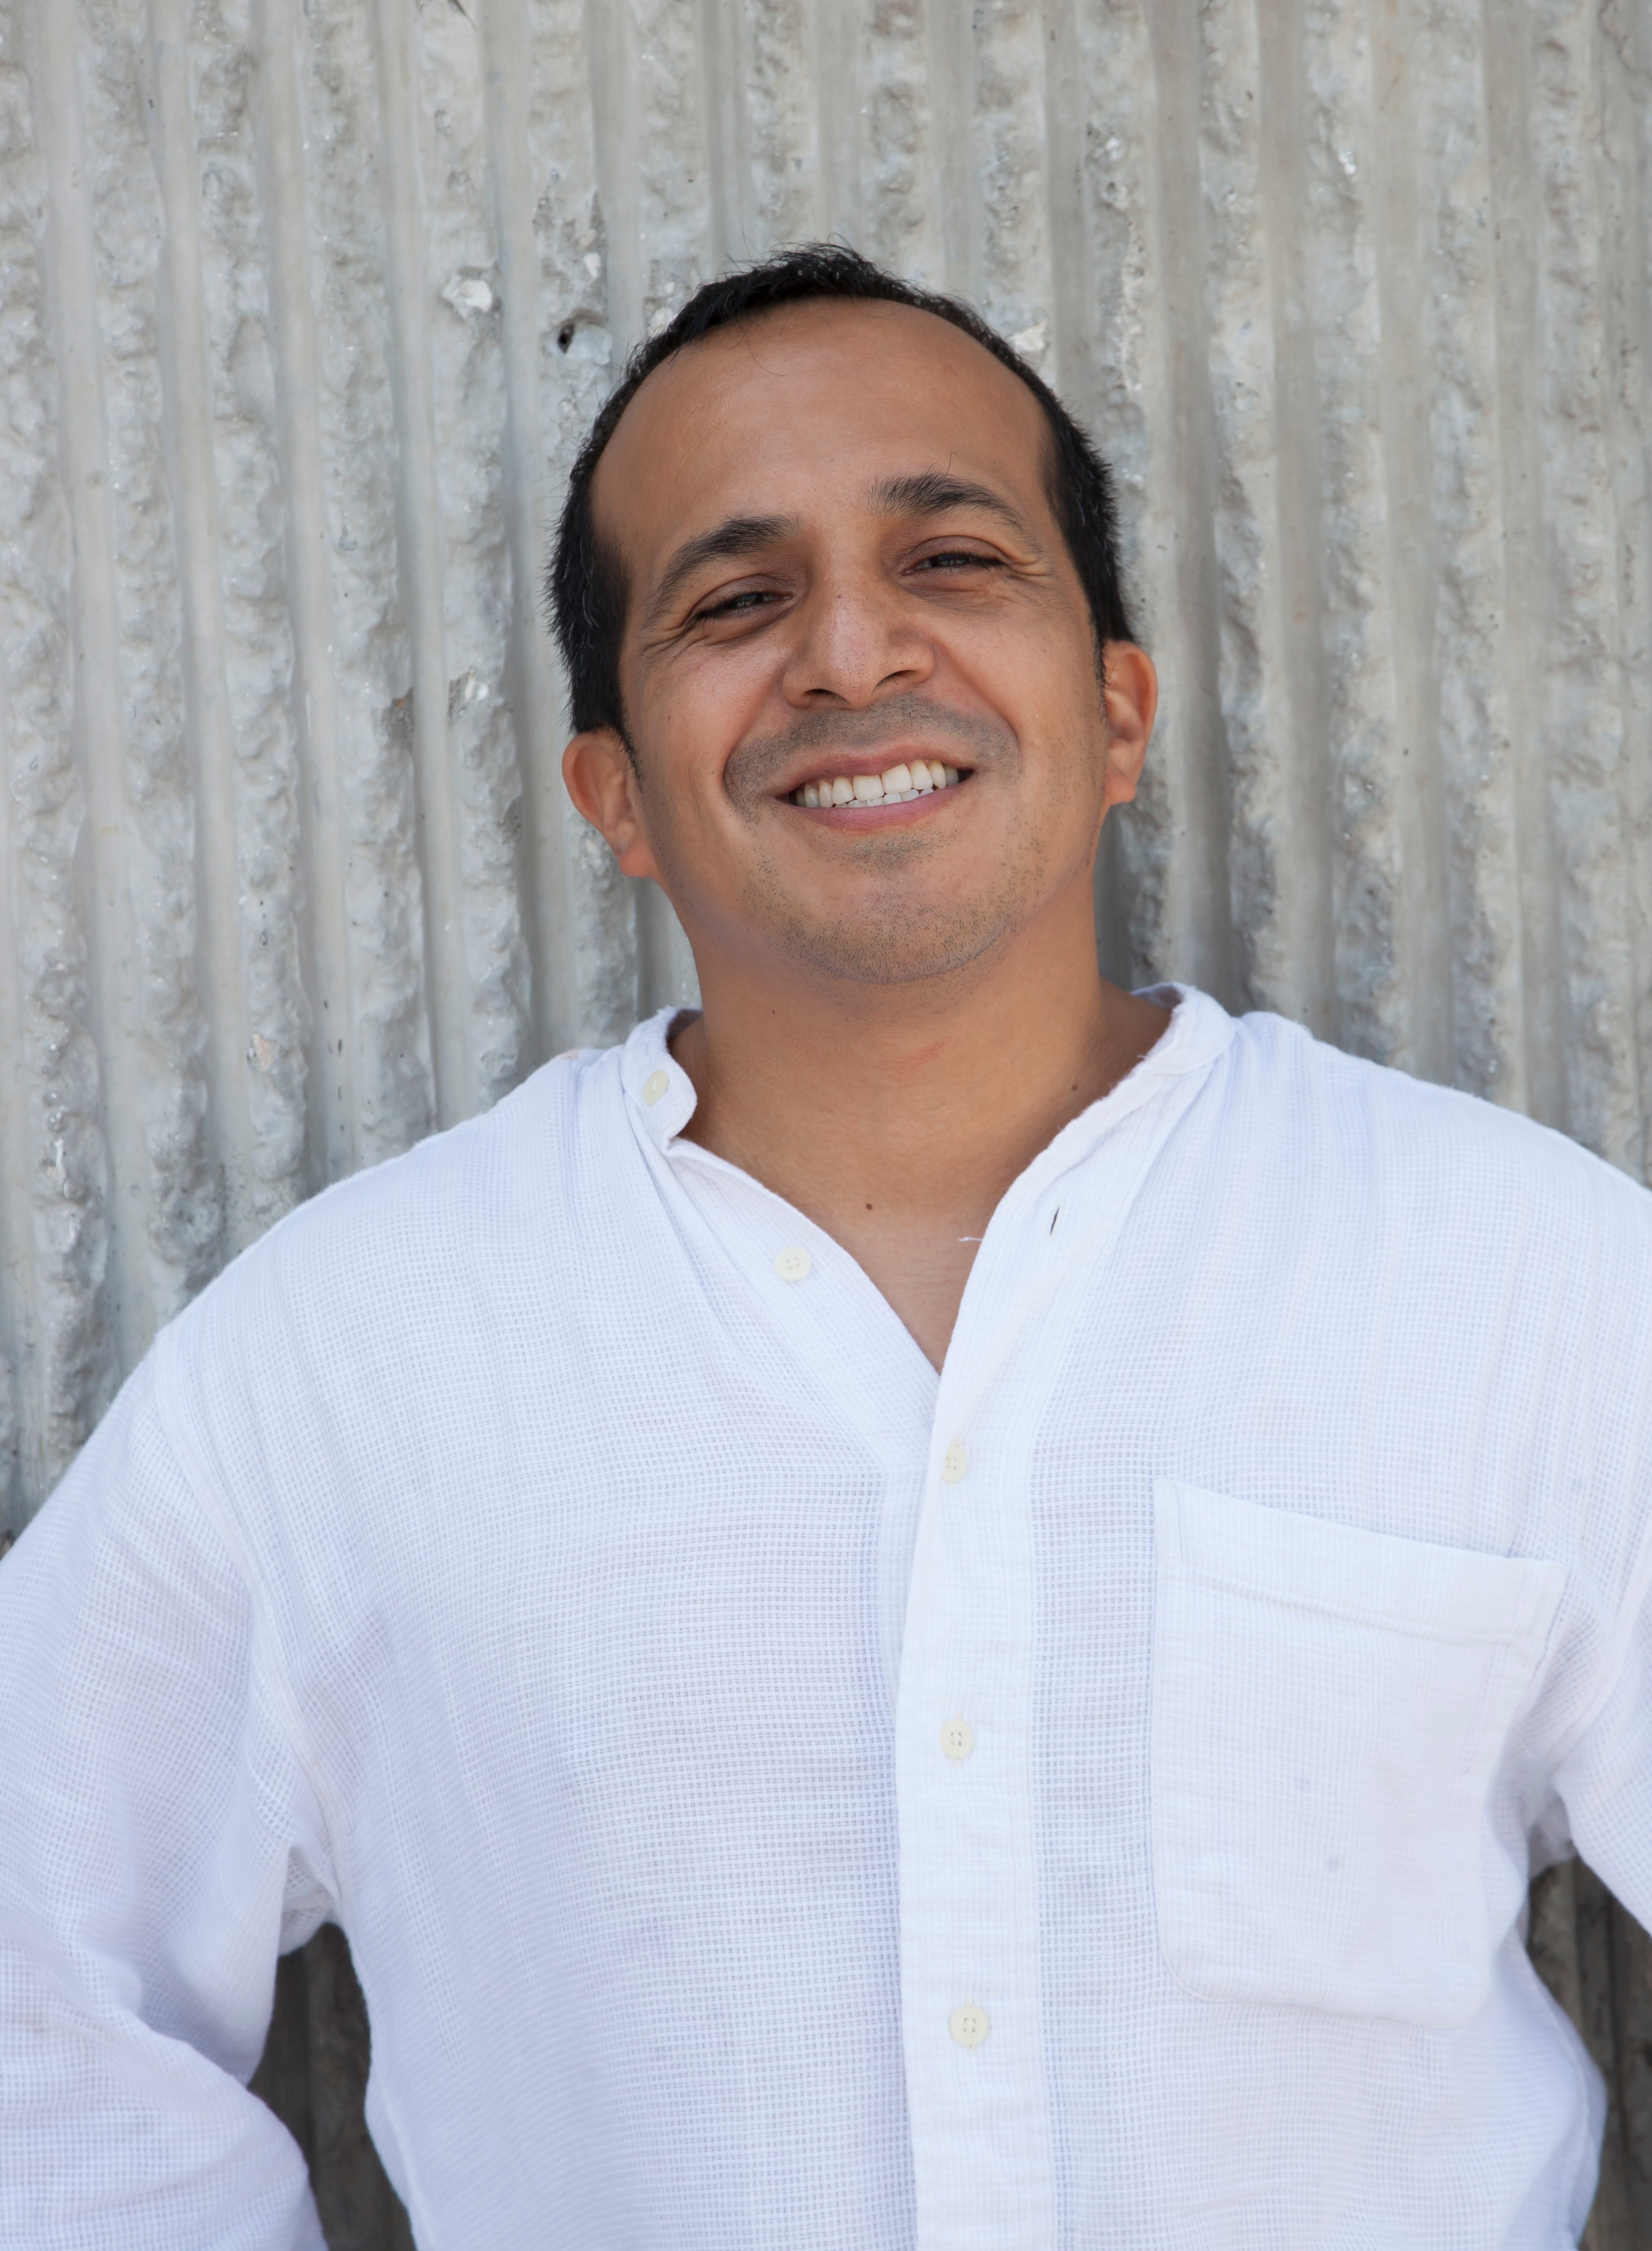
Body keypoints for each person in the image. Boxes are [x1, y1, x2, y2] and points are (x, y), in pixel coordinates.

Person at [1, 243, 1649, 2251]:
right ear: (614, 791)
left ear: (1119, 712)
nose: (854, 654)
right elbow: (34, 2006)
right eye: (736, 600)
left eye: (953, 560)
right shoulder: (343, 1369)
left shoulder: (1525, 1285)